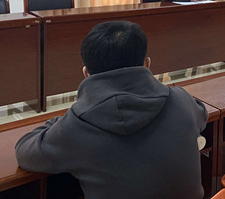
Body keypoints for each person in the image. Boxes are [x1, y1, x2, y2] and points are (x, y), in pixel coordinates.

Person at [15, 21, 208, 199]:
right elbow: (202, 115)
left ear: (86, 74)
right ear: (147, 64)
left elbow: (25, 153)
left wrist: (61, 119)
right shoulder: (181, 100)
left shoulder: (75, 125)